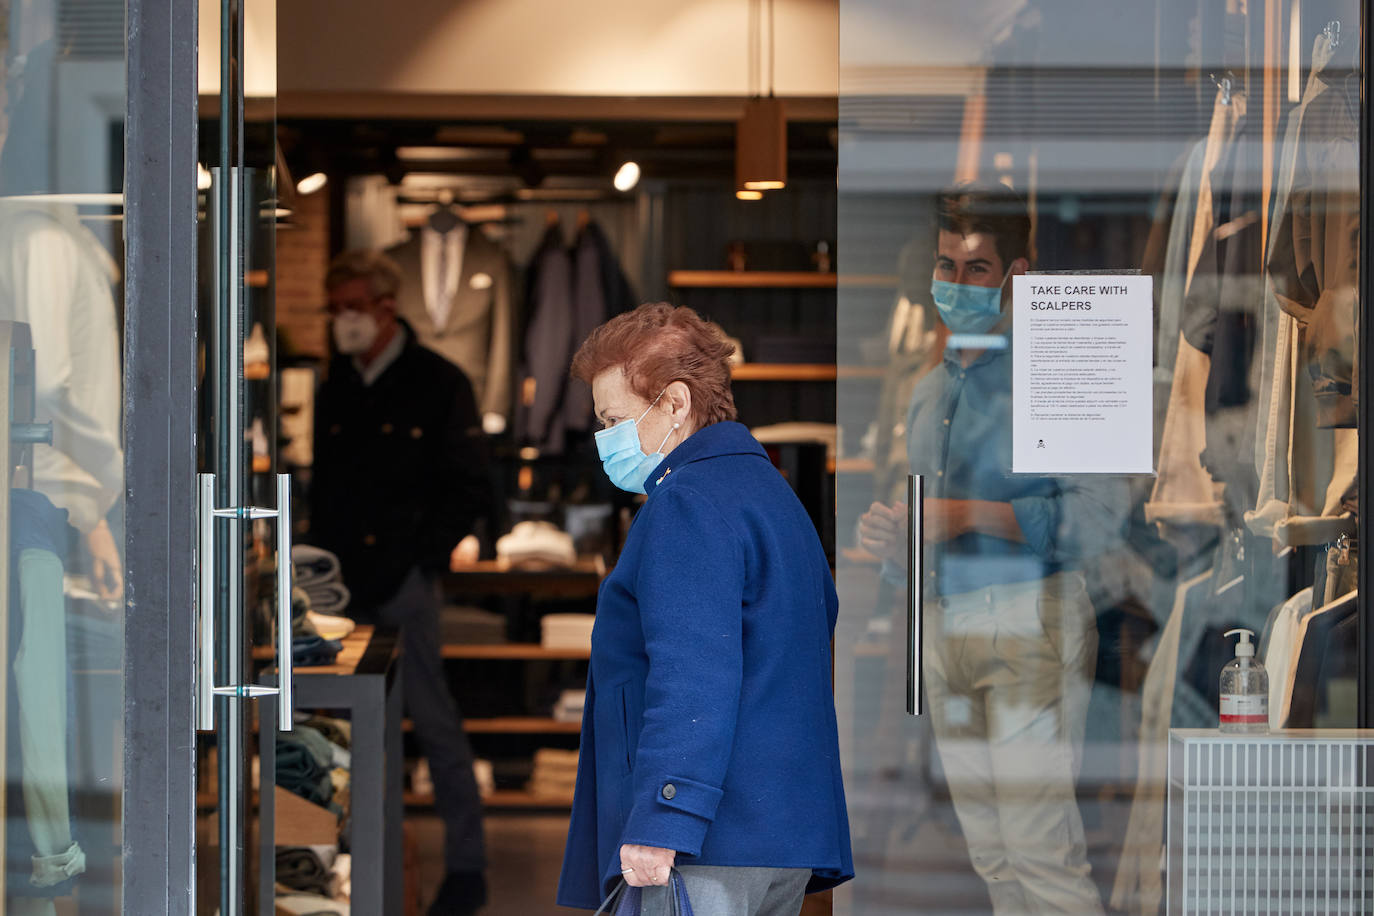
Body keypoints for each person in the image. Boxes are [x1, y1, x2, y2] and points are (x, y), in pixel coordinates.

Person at [859, 183, 1126, 915]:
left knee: (1042, 856)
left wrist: (964, 515)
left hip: (1029, 617)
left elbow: (1100, 519)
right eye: (946, 266)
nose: (956, 283)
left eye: (977, 268)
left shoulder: (1058, 373)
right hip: (946, 625)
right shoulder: (925, 394)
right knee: (994, 860)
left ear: (1019, 276)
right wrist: (892, 538)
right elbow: (921, 533)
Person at [556, 303, 853, 915]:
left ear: (674, 404)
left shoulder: (687, 505)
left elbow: (692, 673)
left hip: (707, 839)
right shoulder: (770, 494)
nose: (602, 439)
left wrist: (663, 818)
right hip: (781, 830)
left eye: (612, 419)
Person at [311, 250, 489, 915]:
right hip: (339, 588)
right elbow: (326, 488)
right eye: (335, 309)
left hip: (405, 581)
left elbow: (469, 485)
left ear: (388, 306)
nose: (342, 320)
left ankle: (469, 869)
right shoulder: (338, 386)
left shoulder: (438, 382)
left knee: (434, 720)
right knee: (335, 726)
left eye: (352, 306)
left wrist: (421, 557)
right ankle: (335, 868)